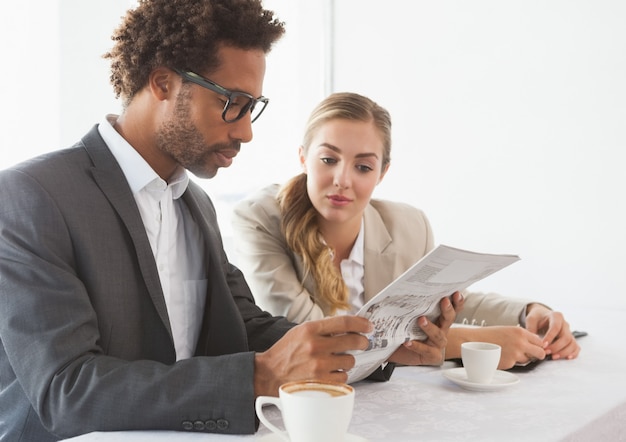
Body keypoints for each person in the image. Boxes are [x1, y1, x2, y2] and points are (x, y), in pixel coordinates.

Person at [0, 2, 463, 440]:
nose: (245, 130)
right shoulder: (32, 196)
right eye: (232, 102)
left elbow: (244, 326)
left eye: (252, 107)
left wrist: (367, 349)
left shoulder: (194, 203)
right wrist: (259, 375)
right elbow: (66, 390)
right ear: (163, 83)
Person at [231, 91, 581, 371]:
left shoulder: (408, 225)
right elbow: (309, 337)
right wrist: (472, 343)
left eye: (363, 166)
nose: (343, 180)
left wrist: (528, 313)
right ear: (303, 157)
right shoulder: (259, 217)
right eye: (328, 159)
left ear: (382, 174)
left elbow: (444, 303)